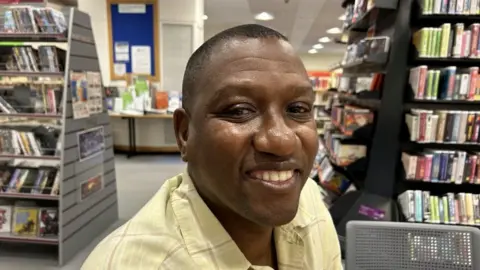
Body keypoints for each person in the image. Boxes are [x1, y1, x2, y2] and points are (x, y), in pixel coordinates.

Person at [82, 24, 342, 270]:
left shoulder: (309, 199)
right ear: (184, 134)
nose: (281, 140)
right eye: (239, 110)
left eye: (297, 109)